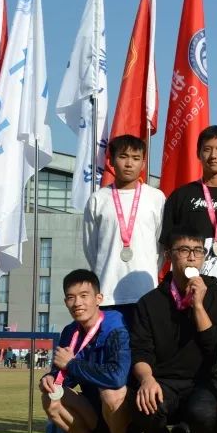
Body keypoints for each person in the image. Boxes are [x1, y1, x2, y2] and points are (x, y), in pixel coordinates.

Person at [128, 228, 217, 433]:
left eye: (198, 251)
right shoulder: (150, 302)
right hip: (163, 381)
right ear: (169, 255)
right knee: (143, 402)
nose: (191, 257)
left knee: (203, 413)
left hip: (204, 382)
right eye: (184, 250)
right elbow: (141, 351)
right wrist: (146, 380)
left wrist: (198, 306)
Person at [39, 269, 133, 433]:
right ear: (65, 302)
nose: (77, 303)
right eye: (71, 297)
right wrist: (50, 378)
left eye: (84, 296)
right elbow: (65, 376)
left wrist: (72, 364)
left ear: (98, 298)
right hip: (93, 411)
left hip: (124, 412)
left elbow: (117, 377)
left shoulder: (116, 328)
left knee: (111, 391)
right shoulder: (70, 331)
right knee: (50, 397)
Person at [83, 134, 166, 324]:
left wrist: (150, 267)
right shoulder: (98, 199)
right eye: (123, 157)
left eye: (136, 158)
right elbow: (90, 248)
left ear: (143, 164)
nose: (129, 164)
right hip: (107, 293)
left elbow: (161, 246)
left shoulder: (156, 198)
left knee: (142, 342)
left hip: (145, 292)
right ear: (111, 161)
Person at [160, 125, 217, 293]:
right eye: (207, 149)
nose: (213, 155)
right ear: (198, 153)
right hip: (189, 288)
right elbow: (166, 246)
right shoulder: (180, 196)